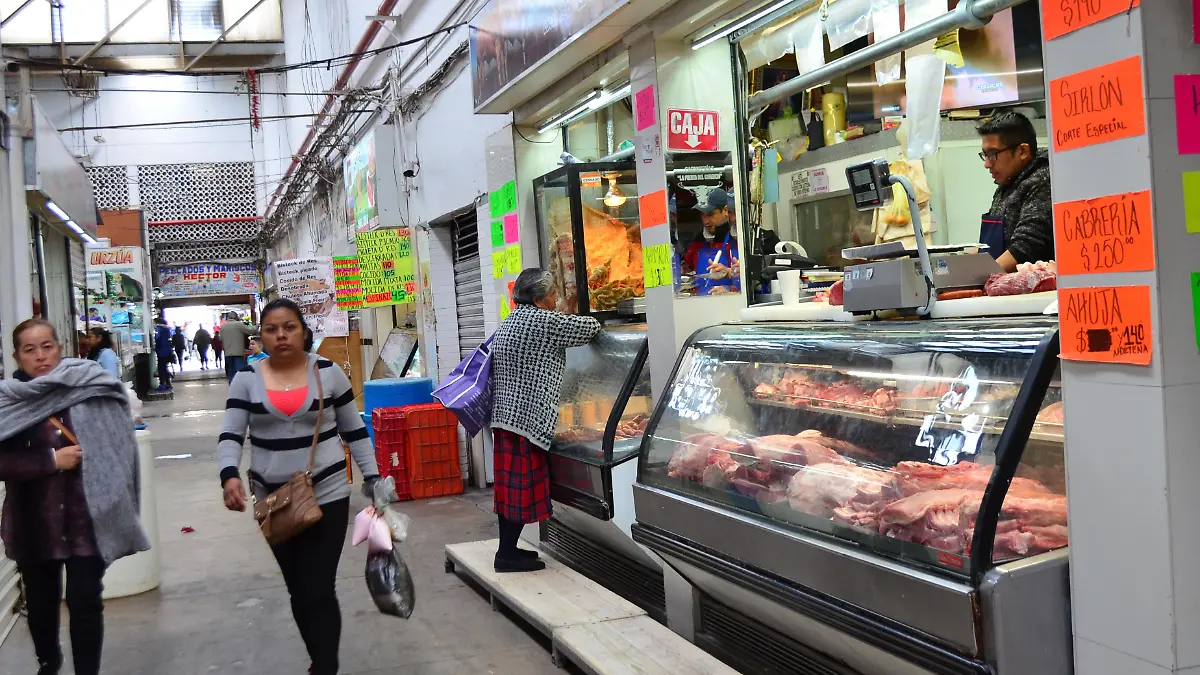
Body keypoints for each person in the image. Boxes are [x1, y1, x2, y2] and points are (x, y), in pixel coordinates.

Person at [218, 299, 379, 675]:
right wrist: (228, 475)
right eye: (271, 329)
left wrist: (373, 478)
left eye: (289, 327)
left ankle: (325, 666)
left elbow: (354, 431)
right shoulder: (246, 380)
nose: (281, 335)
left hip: (328, 493)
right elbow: (231, 434)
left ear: (303, 332)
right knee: (298, 589)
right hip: (273, 502)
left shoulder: (328, 373)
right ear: (260, 336)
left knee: (318, 587)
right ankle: (319, 658)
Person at [0, 318, 149, 675]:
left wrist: (118, 498)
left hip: (88, 519)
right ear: (16, 356)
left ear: (60, 348)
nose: (40, 356)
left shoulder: (92, 386)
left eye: (47, 346)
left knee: (85, 600)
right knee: (41, 601)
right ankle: (49, 662)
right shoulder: (9, 401)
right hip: (35, 523)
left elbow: (120, 447)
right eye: (30, 350)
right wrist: (50, 461)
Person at [489, 269, 601, 573]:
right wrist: (572, 309)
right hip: (527, 421)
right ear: (538, 300)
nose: (556, 299)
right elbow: (590, 328)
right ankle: (506, 556)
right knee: (520, 489)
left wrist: (565, 306)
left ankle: (507, 549)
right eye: (552, 295)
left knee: (509, 491)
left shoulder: (511, 320)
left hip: (506, 417)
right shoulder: (543, 322)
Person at [977, 111, 1053, 272]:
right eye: (985, 155)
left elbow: (1025, 247)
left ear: (1023, 151)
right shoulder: (1007, 182)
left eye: (993, 154)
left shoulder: (1042, 180)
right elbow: (989, 247)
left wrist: (978, 278)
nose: (987, 164)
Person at [683, 189, 740, 295]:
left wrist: (729, 290)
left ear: (725, 211)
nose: (706, 221)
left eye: (710, 214)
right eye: (702, 215)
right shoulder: (699, 240)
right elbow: (688, 267)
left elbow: (745, 283)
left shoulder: (737, 240)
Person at [220, 313, 252, 384]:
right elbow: (250, 330)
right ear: (235, 317)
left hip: (228, 353)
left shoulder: (223, 326)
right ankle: (241, 386)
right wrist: (257, 326)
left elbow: (220, 338)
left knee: (231, 371)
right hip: (238, 352)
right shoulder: (239, 324)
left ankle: (232, 386)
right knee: (240, 371)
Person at [154, 317, 173, 391]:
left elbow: (157, 338)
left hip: (161, 352)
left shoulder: (159, 328)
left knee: (161, 369)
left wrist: (156, 347)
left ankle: (163, 384)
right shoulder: (167, 329)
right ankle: (168, 384)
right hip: (168, 351)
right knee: (164, 368)